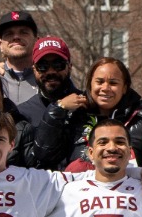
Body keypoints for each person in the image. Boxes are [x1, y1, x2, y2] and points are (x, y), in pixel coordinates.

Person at [30, 56, 142, 172]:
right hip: (80, 191)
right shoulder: (74, 117)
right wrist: (57, 109)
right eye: (99, 82)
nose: (105, 88)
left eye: (113, 83)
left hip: (128, 192)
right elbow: (44, 156)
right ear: (90, 85)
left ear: (125, 87)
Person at [16, 37, 90, 168]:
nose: (51, 72)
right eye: (43, 66)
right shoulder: (23, 112)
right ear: (34, 70)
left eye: (58, 65)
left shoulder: (89, 104)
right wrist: (60, 107)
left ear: (70, 67)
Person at [0, 8, 47, 126]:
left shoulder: (48, 79)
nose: (16, 37)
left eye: (24, 32)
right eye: (9, 34)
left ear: (37, 41)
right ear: (0, 45)